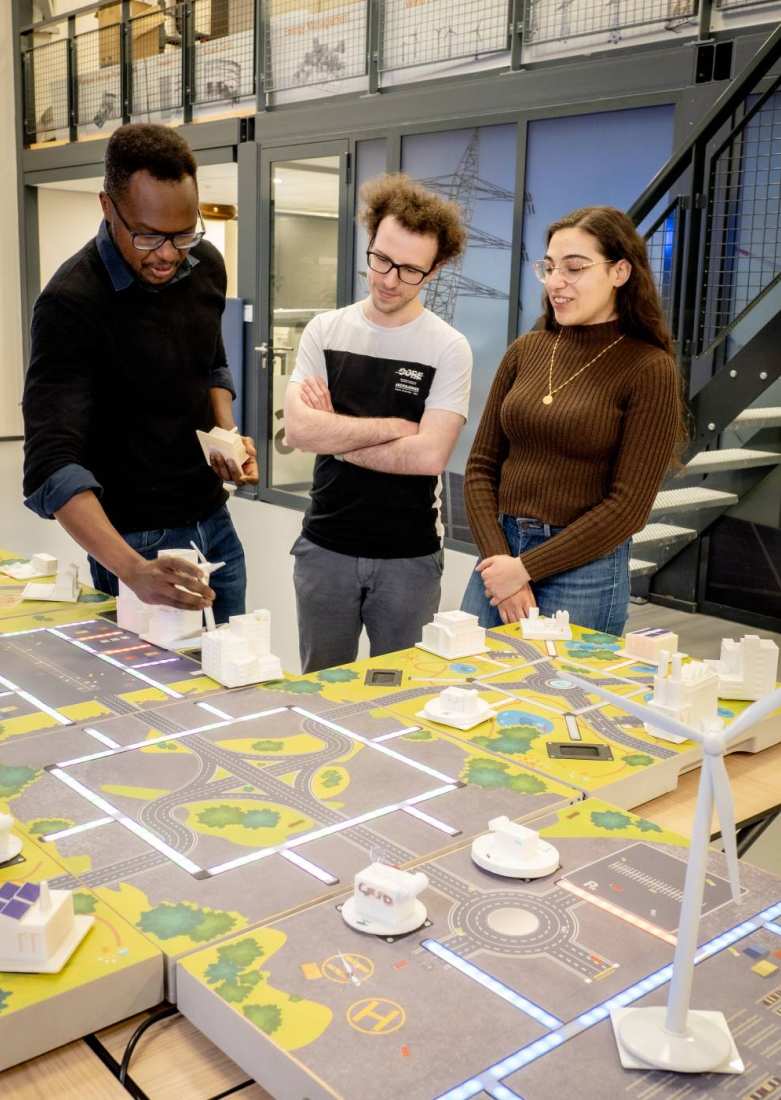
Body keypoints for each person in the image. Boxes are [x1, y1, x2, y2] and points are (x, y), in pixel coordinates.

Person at [22, 123, 257, 622]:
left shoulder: (206, 263)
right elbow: (51, 465)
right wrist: (132, 569)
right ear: (108, 208)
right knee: (163, 694)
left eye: (184, 232)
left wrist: (226, 435)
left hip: (212, 517)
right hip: (138, 538)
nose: (170, 254)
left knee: (234, 678)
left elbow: (210, 360)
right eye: (149, 236)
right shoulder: (71, 303)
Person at [462, 205, 685, 635]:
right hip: (500, 554)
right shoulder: (526, 350)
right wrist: (503, 566)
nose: (555, 282)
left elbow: (627, 507)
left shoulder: (648, 367)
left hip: (586, 570)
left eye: (574, 268)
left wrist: (526, 568)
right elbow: (480, 468)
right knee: (471, 692)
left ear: (620, 272)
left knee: (564, 699)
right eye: (548, 267)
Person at [284, 173, 473, 673]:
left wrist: (335, 433)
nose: (390, 280)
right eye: (382, 260)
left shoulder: (448, 348)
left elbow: (429, 456)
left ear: (434, 272)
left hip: (407, 558)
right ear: (370, 242)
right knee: (321, 691)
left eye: (410, 270)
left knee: (399, 698)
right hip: (325, 547)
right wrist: (394, 427)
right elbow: (298, 431)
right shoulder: (326, 331)